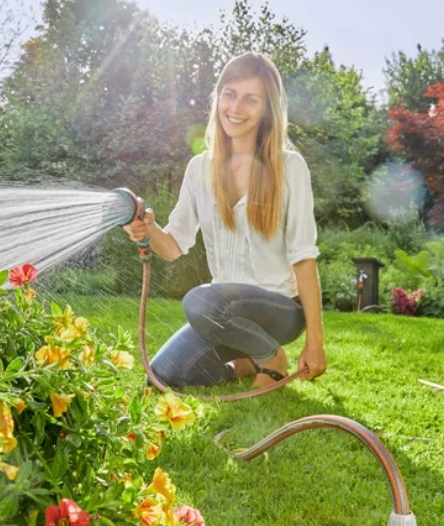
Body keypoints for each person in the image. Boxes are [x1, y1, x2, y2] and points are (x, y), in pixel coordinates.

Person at [124, 52, 326, 389]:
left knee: (201, 301)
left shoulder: (289, 167)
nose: (236, 108)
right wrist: (148, 229)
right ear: (218, 97)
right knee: (161, 377)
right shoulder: (201, 169)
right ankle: (243, 366)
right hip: (221, 314)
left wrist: (315, 342)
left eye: (251, 99)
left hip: (278, 311)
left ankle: (269, 355)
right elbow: (174, 246)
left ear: (267, 110)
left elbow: (304, 259)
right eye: (229, 94)